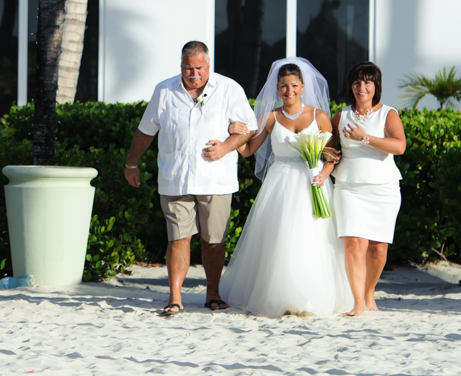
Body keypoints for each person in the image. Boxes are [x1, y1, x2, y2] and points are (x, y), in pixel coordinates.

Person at [125, 41, 256, 316]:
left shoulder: (229, 89)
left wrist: (225, 146)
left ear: (208, 66)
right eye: (188, 68)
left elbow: (249, 129)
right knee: (178, 237)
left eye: (199, 68)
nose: (193, 73)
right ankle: (174, 297)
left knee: (214, 239)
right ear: (181, 66)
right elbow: (145, 131)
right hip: (176, 178)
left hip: (216, 180)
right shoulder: (164, 90)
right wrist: (131, 163)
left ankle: (213, 294)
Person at [214, 58, 352, 317]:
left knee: (312, 238)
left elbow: (333, 155)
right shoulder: (269, 117)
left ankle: (310, 296)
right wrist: (231, 132)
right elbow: (247, 151)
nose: (289, 91)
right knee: (280, 239)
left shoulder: (319, 116)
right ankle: (282, 298)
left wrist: (323, 174)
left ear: (303, 87)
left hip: (312, 182)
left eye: (294, 86)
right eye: (283, 86)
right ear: (277, 88)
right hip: (280, 184)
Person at [329, 61, 406, 316]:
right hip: (349, 188)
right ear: (351, 86)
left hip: (383, 189)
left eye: (368, 82)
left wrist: (365, 137)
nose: (362, 87)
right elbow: (329, 148)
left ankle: (369, 292)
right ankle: (357, 303)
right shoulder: (341, 116)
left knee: (378, 248)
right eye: (357, 82)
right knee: (354, 243)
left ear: (376, 86)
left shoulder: (388, 114)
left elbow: (399, 146)